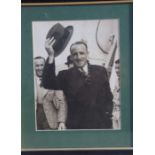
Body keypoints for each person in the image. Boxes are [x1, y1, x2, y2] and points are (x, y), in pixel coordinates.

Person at [43, 39, 113, 129]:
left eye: (82, 53)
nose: (79, 57)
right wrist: (51, 55)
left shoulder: (100, 71)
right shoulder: (64, 75)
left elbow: (108, 96)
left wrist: (108, 115)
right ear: (71, 57)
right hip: (77, 126)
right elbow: (47, 83)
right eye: (75, 54)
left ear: (88, 54)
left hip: (101, 125)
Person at [34, 56, 67, 130]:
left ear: (45, 66)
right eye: (37, 66)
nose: (39, 68)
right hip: (36, 119)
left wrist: (61, 121)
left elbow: (62, 102)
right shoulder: (31, 81)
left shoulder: (54, 81)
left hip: (51, 119)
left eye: (42, 65)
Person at [112, 59, 121, 129]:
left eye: (119, 68)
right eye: (116, 68)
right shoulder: (116, 80)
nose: (116, 70)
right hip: (115, 112)